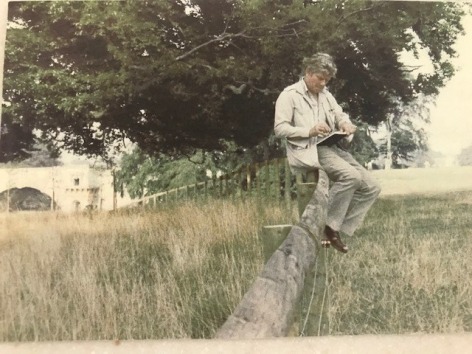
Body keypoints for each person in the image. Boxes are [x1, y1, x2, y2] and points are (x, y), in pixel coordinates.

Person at [274, 53, 381, 253]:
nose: (323, 84)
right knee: (351, 177)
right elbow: (280, 129)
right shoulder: (289, 95)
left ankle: (332, 227)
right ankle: (326, 226)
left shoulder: (326, 95)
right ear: (308, 72)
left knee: (372, 187)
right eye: (320, 79)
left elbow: (339, 114)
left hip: (330, 146)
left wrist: (345, 124)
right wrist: (309, 131)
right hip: (309, 149)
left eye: (327, 80)